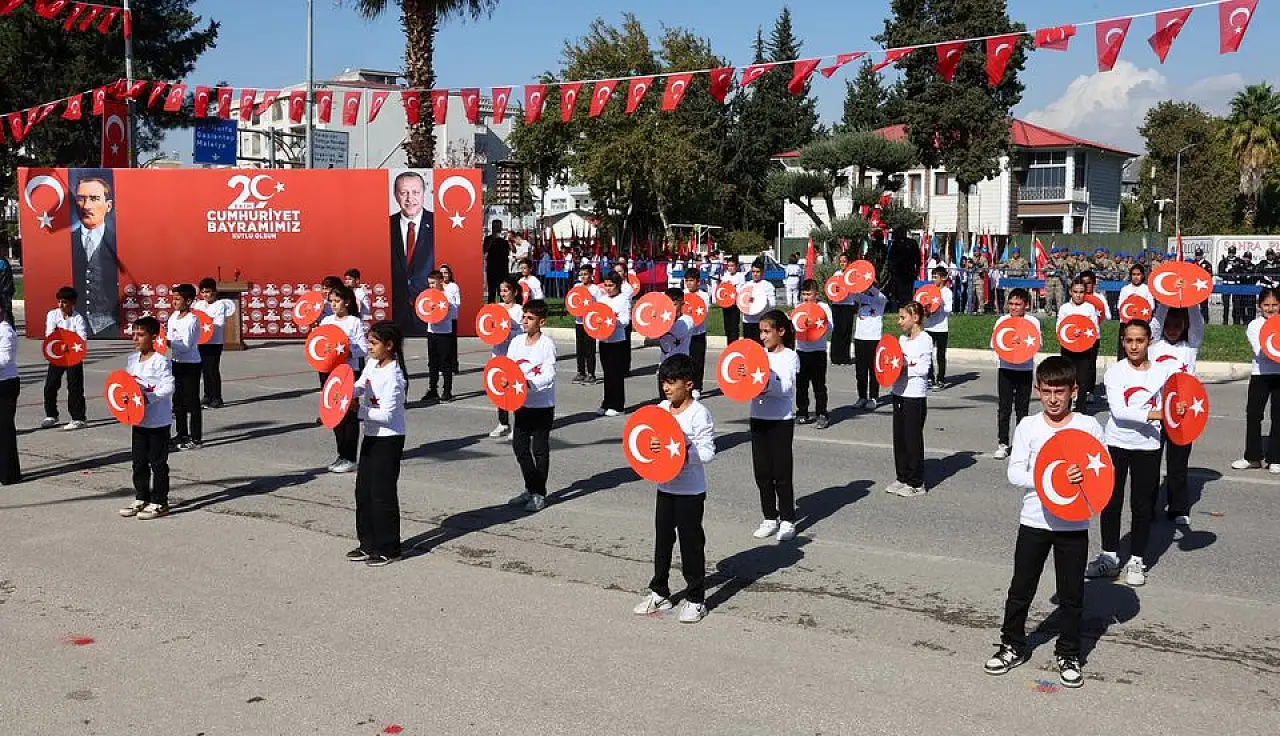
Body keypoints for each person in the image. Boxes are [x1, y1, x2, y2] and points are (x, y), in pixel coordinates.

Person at [984, 356, 1099, 689]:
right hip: (1034, 521)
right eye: (1047, 391)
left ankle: (1069, 653)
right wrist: (1052, 476)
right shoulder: (1028, 427)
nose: (1053, 398)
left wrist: (1081, 478)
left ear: (1073, 391)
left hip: (1073, 525)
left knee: (1071, 595)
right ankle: (1012, 645)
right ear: (1037, 390)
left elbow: (1101, 475)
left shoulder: (1088, 427)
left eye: (1059, 391)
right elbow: (1015, 473)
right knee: (1021, 589)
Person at [1086, 320, 1183, 587]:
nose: (1134, 346)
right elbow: (1120, 412)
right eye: (1128, 341)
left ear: (1149, 341)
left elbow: (1177, 402)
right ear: (1122, 342)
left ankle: (1136, 559)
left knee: (1142, 506)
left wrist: (1179, 410)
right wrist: (1158, 414)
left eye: (1139, 340)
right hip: (1116, 443)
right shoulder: (1115, 372)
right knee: (1111, 501)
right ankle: (1108, 557)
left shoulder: (1164, 372)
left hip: (1148, 446)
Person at [633, 354, 716, 624]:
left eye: (672, 382)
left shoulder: (699, 413)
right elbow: (650, 443)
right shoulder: (661, 408)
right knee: (662, 540)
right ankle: (660, 591)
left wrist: (682, 447)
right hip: (665, 487)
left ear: (689, 384)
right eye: (663, 382)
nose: (666, 388)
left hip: (690, 490)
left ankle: (695, 598)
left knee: (691, 544)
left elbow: (707, 453)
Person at [348, 321, 409, 567]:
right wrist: (342, 395)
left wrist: (358, 410)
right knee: (363, 491)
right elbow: (360, 385)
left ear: (389, 345)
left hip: (389, 438)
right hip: (372, 435)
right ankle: (368, 543)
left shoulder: (395, 376)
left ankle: (390, 547)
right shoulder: (373, 364)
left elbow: (387, 415)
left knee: (382, 494)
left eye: (373, 343)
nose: (369, 347)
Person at [1150, 303, 1204, 526]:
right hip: (1157, 413)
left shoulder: (1190, 347)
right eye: (1168, 325)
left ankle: (1178, 507)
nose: (1172, 329)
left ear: (1184, 327)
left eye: (1177, 325)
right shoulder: (1154, 345)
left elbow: (1198, 323)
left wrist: (1190, 299)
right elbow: (1156, 320)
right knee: (1151, 464)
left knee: (1178, 464)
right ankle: (1148, 506)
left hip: (1182, 414)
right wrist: (1166, 297)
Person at [749, 310, 801, 542]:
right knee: (762, 473)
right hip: (758, 418)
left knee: (781, 473)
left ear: (781, 331)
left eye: (767, 331)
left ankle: (787, 519)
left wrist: (765, 381)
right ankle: (770, 517)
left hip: (780, 421)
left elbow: (785, 389)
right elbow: (743, 383)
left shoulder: (790, 356)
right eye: (761, 332)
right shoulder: (756, 355)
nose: (762, 337)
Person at [117, 317, 175, 520]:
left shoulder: (160, 361)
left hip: (158, 421)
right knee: (138, 461)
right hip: (139, 420)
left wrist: (148, 398)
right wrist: (124, 398)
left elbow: (169, 386)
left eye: (141, 335)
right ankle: (141, 497)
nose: (136, 338)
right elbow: (126, 384)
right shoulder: (132, 360)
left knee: (157, 463)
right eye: (133, 334)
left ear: (153, 337)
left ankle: (160, 501)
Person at [505, 300, 557, 513]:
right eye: (524, 317)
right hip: (521, 404)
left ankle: (538, 494)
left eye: (530, 318)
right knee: (520, 447)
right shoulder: (516, 342)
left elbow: (549, 374)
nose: (525, 321)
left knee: (540, 449)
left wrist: (528, 385)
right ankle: (531, 487)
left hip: (542, 404)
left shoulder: (547, 344)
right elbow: (506, 368)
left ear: (541, 321)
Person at [321, 285, 369, 474]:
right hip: (331, 373)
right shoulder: (326, 321)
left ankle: (350, 457)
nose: (333, 305)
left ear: (347, 302)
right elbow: (320, 346)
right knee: (334, 415)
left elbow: (363, 349)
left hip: (349, 372)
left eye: (337, 301)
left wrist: (347, 350)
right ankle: (341, 454)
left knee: (349, 415)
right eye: (331, 301)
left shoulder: (354, 322)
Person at [888, 301, 933, 497]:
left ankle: (917, 482)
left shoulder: (925, 339)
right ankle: (902, 476)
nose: (899, 322)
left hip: (914, 395)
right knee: (899, 438)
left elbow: (923, 368)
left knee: (912, 439)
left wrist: (905, 367)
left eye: (902, 317)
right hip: (898, 392)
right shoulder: (902, 340)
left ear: (915, 318)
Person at [1233, 287, 1280, 473]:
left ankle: (1275, 458)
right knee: (1253, 415)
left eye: (1275, 305)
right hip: (1260, 374)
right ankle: (1252, 457)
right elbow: (1261, 351)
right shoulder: (1254, 325)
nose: (1270, 308)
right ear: (1259, 306)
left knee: (1278, 416)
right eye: (1266, 305)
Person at [992, 288, 1040, 459]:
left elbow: (1036, 344)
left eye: (1018, 304)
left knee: (1022, 409)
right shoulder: (1002, 321)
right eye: (1011, 304)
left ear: (1026, 305)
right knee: (1004, 408)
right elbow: (994, 343)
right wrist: (1008, 341)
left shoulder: (1033, 321)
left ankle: (1021, 444)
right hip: (1005, 368)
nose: (1013, 307)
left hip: (1024, 369)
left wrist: (1021, 343)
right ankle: (1003, 443)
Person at [71, 175, 121, 338]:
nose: (86, 206)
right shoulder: (67, 242)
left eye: (94, 198)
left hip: (109, 325)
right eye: (81, 199)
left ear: (108, 205)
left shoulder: (119, 242)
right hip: (75, 326)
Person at [389, 171, 435, 332]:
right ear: (396, 195)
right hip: (395, 311)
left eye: (415, 192)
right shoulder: (387, 225)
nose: (410, 199)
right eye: (404, 193)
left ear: (424, 193)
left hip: (429, 308)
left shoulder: (437, 224)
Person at [41, 286, 89, 431]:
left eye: (64, 302)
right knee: (50, 385)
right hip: (57, 355)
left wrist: (66, 342)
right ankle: (51, 415)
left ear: (72, 303)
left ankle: (78, 418)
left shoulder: (78, 319)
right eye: (59, 302)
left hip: (73, 355)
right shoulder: (52, 315)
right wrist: (62, 342)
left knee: (75, 387)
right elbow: (50, 335)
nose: (61, 305)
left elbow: (82, 339)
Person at [166, 284, 203, 451]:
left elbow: (187, 345)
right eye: (173, 299)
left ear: (188, 301)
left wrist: (168, 343)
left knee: (192, 401)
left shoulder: (192, 320)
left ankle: (196, 438)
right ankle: (182, 433)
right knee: (178, 400)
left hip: (191, 364)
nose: (174, 302)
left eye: (178, 299)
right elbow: (169, 336)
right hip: (177, 362)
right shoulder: (173, 316)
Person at [488, 277, 525, 439]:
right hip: (498, 354)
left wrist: (508, 332)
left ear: (514, 292)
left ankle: (518, 425)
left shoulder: (519, 310)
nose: (503, 294)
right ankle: (503, 423)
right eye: (501, 291)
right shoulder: (497, 308)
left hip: (513, 356)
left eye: (506, 290)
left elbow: (523, 332)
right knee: (499, 389)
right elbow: (488, 328)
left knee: (514, 389)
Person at [1057, 279, 1101, 413]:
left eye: (1081, 292)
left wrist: (1083, 334)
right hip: (1067, 349)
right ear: (1070, 292)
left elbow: (1095, 330)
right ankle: (1066, 408)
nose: (1078, 295)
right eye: (1075, 292)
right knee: (1068, 379)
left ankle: (1081, 410)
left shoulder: (1089, 308)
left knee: (1082, 380)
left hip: (1085, 350)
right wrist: (1071, 333)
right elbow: (1059, 327)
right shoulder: (1065, 308)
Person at [795, 279, 833, 429]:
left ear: (816, 294)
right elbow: (795, 327)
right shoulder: (799, 307)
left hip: (818, 352)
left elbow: (830, 327)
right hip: (801, 351)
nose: (806, 297)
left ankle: (822, 414)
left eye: (809, 294)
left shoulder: (823, 307)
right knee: (801, 385)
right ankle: (802, 412)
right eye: (803, 294)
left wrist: (820, 320)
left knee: (819, 385)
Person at [194, 278, 237, 410]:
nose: (206, 295)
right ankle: (207, 395)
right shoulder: (199, 305)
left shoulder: (219, 305)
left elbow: (219, 322)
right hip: (201, 340)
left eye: (208, 292)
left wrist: (207, 322)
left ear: (214, 292)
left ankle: (217, 397)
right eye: (203, 292)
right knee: (203, 369)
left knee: (212, 369)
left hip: (214, 341)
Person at [597, 273, 632, 417]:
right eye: (606, 285)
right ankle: (607, 402)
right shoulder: (602, 299)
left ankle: (618, 405)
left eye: (611, 285)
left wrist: (612, 321)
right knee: (607, 373)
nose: (608, 288)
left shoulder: (623, 300)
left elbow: (625, 321)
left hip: (617, 340)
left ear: (618, 285)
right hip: (604, 340)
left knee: (616, 373)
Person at [421, 270, 458, 403]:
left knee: (445, 363)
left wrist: (441, 311)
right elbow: (423, 310)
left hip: (445, 333)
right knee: (432, 363)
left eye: (433, 283)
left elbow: (454, 314)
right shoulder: (428, 295)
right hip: (432, 332)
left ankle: (447, 391)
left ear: (440, 281)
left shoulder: (447, 295)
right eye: (429, 283)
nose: (431, 286)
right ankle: (432, 389)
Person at [852, 282, 887, 410]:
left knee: (873, 370)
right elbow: (852, 292)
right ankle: (862, 397)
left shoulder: (880, 300)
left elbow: (880, 296)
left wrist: (870, 286)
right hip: (860, 338)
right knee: (860, 372)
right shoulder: (860, 297)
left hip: (874, 339)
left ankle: (873, 397)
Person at [656, 288, 694, 400]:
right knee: (664, 402)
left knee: (680, 403)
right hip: (664, 365)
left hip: (680, 367)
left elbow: (677, 333)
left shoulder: (687, 320)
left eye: (674, 304)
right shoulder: (661, 320)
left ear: (682, 303)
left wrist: (661, 319)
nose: (670, 308)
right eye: (667, 304)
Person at [924, 266, 954, 389]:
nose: (934, 279)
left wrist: (939, 305)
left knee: (940, 354)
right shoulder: (929, 290)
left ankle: (941, 378)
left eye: (936, 277)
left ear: (943, 278)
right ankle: (930, 377)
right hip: (929, 327)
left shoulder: (947, 292)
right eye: (933, 277)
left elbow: (949, 309)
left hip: (941, 328)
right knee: (927, 353)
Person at [683, 269, 710, 396]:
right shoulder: (682, 294)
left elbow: (703, 313)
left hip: (698, 333)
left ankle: (697, 387)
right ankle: (685, 385)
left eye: (691, 281)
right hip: (684, 334)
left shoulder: (703, 295)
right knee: (685, 361)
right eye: (687, 281)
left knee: (698, 361)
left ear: (698, 282)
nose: (689, 284)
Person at [571, 265, 600, 385]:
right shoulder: (576, 287)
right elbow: (572, 301)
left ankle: (591, 373)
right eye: (581, 274)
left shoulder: (595, 289)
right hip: (579, 321)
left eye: (586, 274)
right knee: (580, 348)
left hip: (590, 323)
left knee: (590, 349)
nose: (583, 277)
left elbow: (600, 304)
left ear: (591, 275)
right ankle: (581, 372)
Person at [0, 301, 19, 485]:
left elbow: (5, 359)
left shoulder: (5, 331)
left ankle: (9, 473)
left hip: (6, 384)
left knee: (5, 429)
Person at [1117, 264, 1154, 358]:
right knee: (1124, 352)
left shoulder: (1147, 289)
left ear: (1142, 275)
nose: (1136, 277)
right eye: (1133, 274)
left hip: (1142, 324)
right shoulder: (1125, 289)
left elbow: (1151, 306)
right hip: (1126, 324)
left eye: (1138, 274)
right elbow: (1120, 306)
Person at [829, 252, 858, 366]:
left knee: (846, 330)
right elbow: (832, 287)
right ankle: (835, 357)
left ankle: (844, 357)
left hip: (848, 305)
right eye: (841, 261)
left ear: (849, 262)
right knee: (837, 331)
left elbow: (855, 288)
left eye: (844, 261)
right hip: (837, 305)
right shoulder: (836, 274)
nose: (842, 264)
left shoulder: (852, 275)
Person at [741, 258, 777, 344]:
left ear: (762, 272)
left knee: (761, 347)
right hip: (748, 321)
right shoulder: (746, 286)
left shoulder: (767, 286)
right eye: (753, 272)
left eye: (757, 272)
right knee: (749, 347)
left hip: (762, 322)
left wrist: (762, 302)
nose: (755, 274)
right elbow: (741, 302)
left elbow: (773, 304)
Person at [439, 263, 462, 374]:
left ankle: (453, 366)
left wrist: (448, 306)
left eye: (446, 273)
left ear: (449, 274)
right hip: (440, 320)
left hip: (451, 318)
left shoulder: (454, 286)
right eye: (442, 273)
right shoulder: (438, 286)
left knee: (452, 343)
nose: (444, 275)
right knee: (442, 344)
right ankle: (442, 366)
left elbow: (458, 303)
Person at [485, 220, 513, 303]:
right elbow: (485, 250)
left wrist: (509, 240)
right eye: (495, 226)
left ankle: (503, 307)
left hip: (502, 268)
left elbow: (512, 250)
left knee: (503, 289)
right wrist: (493, 239)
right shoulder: (488, 238)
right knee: (492, 291)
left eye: (498, 226)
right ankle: (491, 308)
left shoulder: (504, 240)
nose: (497, 228)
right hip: (492, 268)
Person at [720, 255, 744, 343]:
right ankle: (728, 344)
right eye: (728, 266)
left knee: (734, 327)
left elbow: (740, 290)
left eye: (732, 266)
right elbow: (722, 290)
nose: (730, 268)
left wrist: (732, 288)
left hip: (735, 305)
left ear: (736, 266)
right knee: (727, 327)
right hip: (726, 305)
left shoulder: (740, 276)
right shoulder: (725, 276)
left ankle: (734, 344)